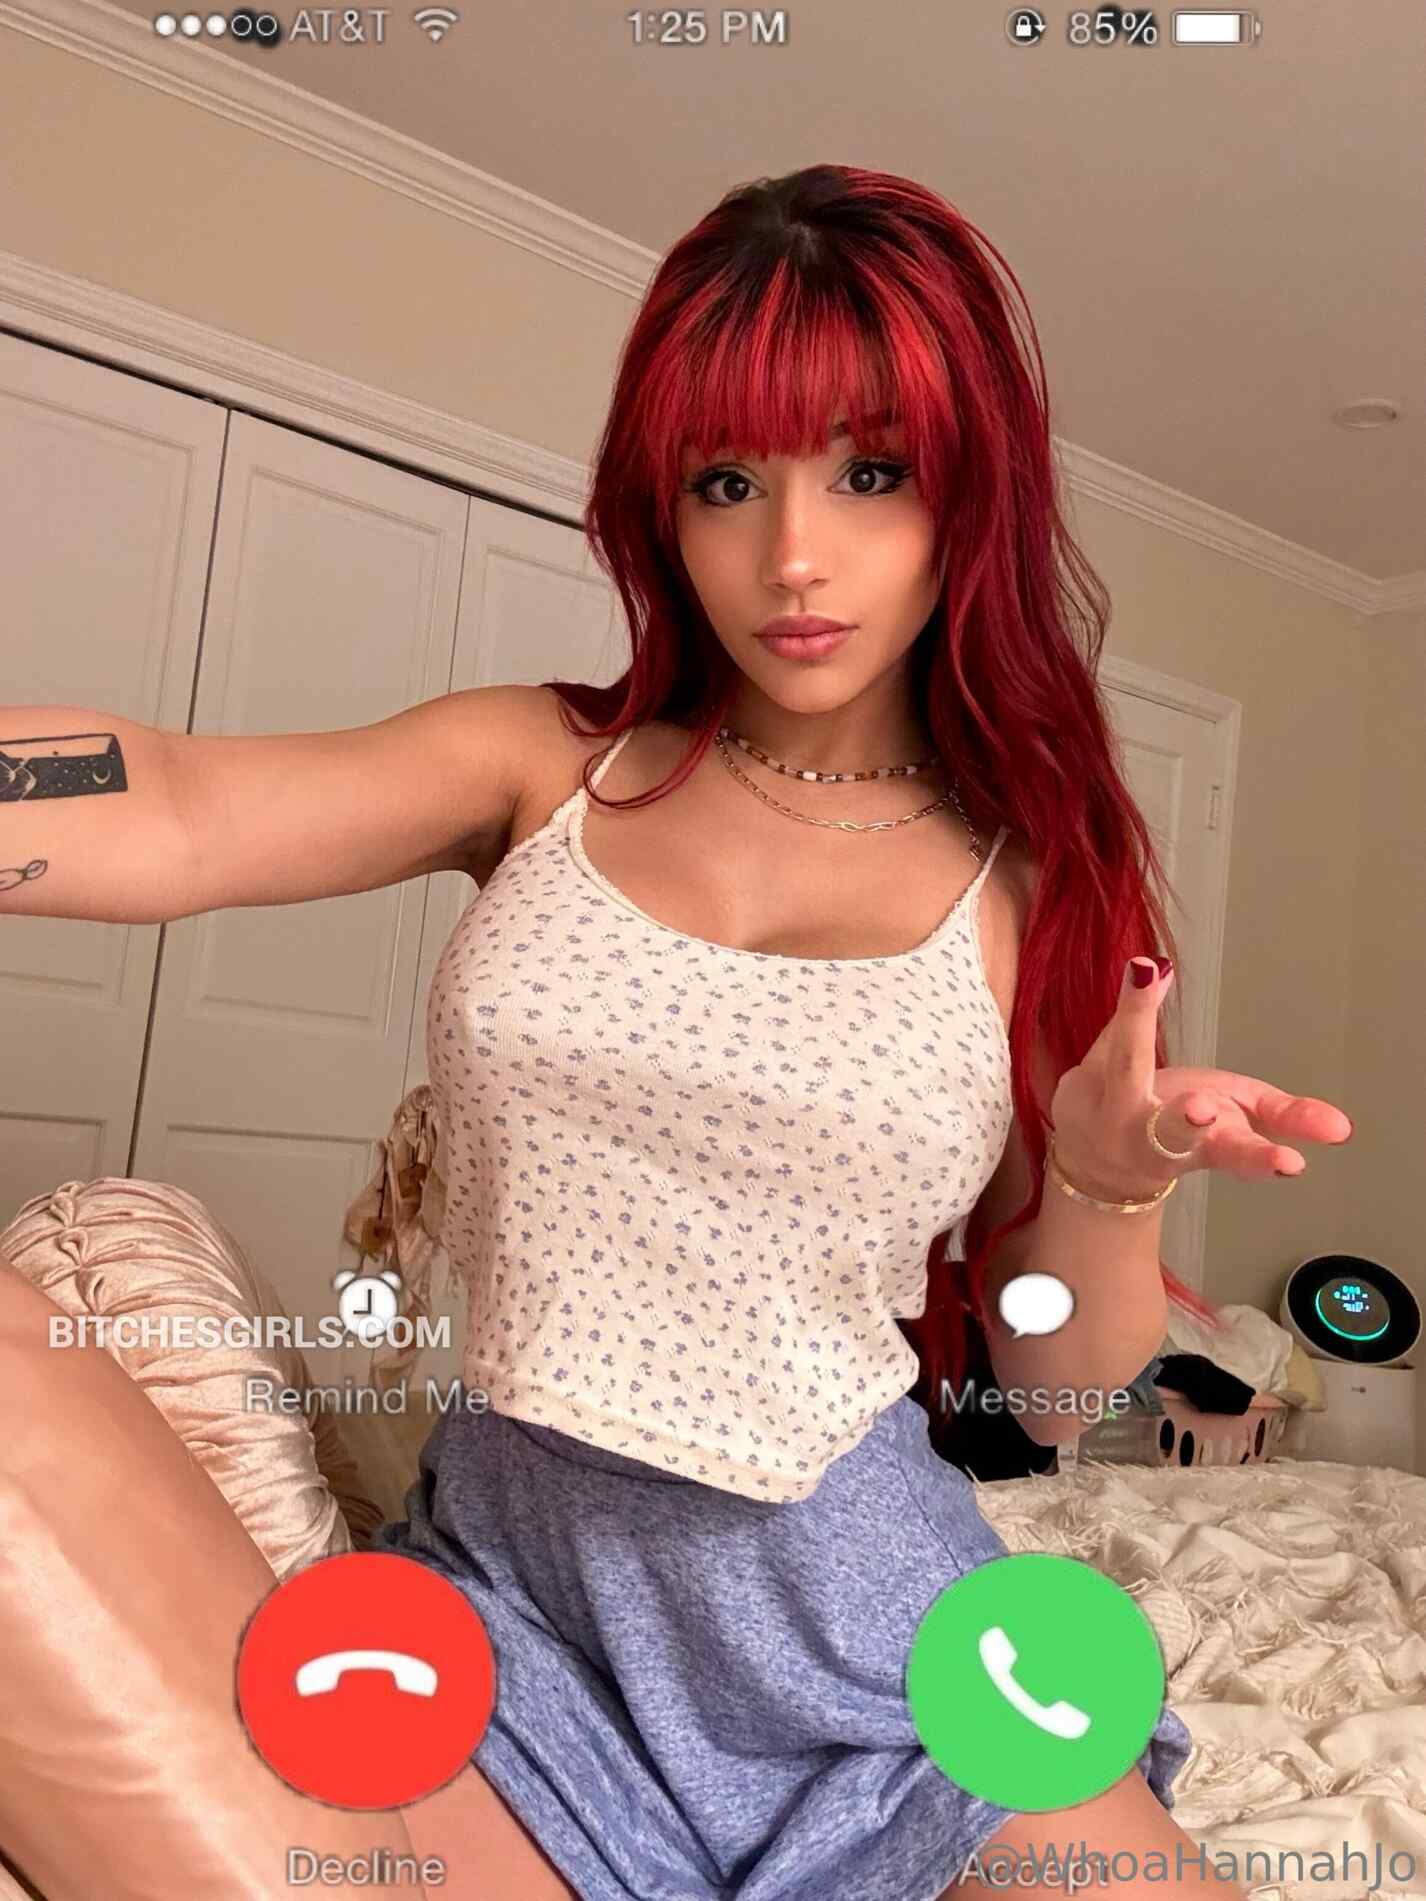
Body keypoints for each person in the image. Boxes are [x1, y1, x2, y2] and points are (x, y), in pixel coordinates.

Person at [0, 163, 1353, 1901]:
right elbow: (180, 801)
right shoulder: (541, 766)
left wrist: (1103, 1186)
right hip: (517, 1632)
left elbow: (1054, 1394)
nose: (791, 555)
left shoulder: (1035, 890)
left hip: (896, 1661)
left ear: (969, 496)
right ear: (665, 509)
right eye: (728, 482)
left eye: (870, 473)